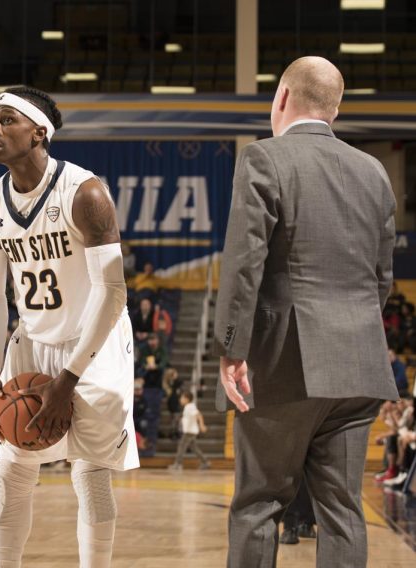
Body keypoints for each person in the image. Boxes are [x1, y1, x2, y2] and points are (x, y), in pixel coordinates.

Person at [213, 57, 399, 568]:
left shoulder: (263, 158)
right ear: (335, 110)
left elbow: (244, 264)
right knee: (342, 510)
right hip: (358, 366)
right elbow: (382, 278)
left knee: (258, 504)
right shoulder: (375, 171)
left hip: (284, 366)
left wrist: (232, 349)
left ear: (281, 99)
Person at [0, 86, 137, 567]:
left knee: (90, 470)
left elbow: (113, 291)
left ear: (39, 132)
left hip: (95, 336)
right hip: (33, 333)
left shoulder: (85, 193)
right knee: (13, 465)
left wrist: (69, 378)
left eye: (7, 120)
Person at [168, 391, 209, 470]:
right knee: (194, 448)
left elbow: (199, 415)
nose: (180, 399)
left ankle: (178, 464)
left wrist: (202, 425)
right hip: (191, 431)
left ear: (187, 399)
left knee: (181, 446)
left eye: (182, 398)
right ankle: (205, 462)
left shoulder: (190, 406)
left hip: (189, 432)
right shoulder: (188, 407)